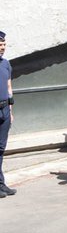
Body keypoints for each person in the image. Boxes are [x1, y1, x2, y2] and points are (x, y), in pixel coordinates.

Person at [0, 30, 12, 198]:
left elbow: (9, 88)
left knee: (1, 148)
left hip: (4, 110)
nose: (2, 47)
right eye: (0, 45)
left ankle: (1, 184)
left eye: (3, 44)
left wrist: (11, 109)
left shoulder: (6, 64)